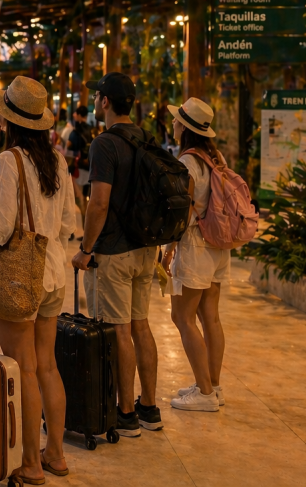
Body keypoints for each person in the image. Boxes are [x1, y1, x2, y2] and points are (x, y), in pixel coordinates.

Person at [0, 77, 75, 484]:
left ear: (9, 120)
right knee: (47, 366)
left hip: (19, 279)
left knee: (24, 369)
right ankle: (56, 455)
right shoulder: (59, 162)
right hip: (54, 273)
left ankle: (30, 464)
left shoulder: (9, 160)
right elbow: (68, 224)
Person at [70, 73, 162, 437]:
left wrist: (85, 249)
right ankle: (149, 407)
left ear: (105, 102)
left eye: (97, 96)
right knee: (141, 325)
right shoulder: (145, 138)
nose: (95, 102)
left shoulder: (104, 144)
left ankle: (125, 413)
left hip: (115, 253)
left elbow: (99, 202)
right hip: (145, 249)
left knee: (119, 329)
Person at [162, 98, 228, 412]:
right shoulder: (215, 157)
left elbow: (184, 210)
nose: (173, 124)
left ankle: (203, 393)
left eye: (176, 120)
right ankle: (212, 385)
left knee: (182, 317)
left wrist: (168, 248)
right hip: (217, 245)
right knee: (210, 316)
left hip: (195, 245)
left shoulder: (188, 162)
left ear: (184, 127)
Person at [65, 106, 92, 216]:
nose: (74, 115)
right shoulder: (92, 129)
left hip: (80, 168)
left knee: (79, 197)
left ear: (80, 115)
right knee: (87, 196)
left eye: (76, 113)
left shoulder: (76, 131)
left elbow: (69, 146)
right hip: (90, 166)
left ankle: (85, 222)